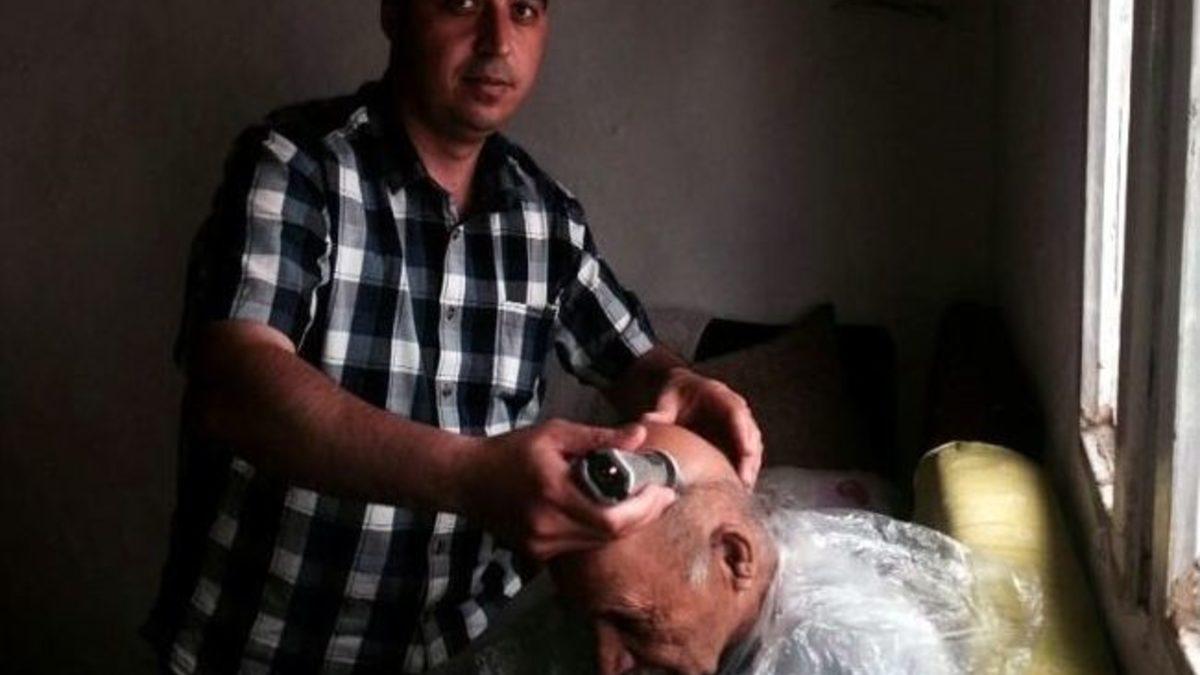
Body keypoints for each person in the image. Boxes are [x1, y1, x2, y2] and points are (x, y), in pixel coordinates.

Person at [143, 1, 763, 672]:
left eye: (523, 9)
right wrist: (473, 476)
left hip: (458, 652)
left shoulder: (546, 217)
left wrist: (676, 380)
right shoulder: (298, 165)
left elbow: (633, 358)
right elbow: (233, 386)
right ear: (395, 12)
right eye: (462, 3)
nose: (498, 41)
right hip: (267, 647)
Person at [548, 424, 1042, 675]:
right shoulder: (723, 623)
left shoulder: (858, 653)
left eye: (632, 623)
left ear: (734, 558)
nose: (605, 664)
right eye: (587, 624)